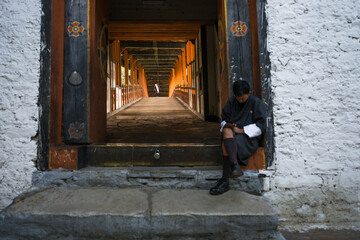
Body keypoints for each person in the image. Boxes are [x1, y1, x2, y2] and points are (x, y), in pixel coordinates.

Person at [209, 80, 266, 195]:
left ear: (249, 93)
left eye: (243, 98)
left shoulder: (256, 102)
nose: (240, 101)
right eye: (238, 98)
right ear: (235, 96)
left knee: (226, 143)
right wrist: (228, 124)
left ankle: (225, 180)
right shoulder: (231, 101)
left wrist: (242, 130)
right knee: (226, 130)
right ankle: (235, 166)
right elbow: (224, 119)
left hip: (248, 137)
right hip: (233, 134)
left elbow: (261, 126)